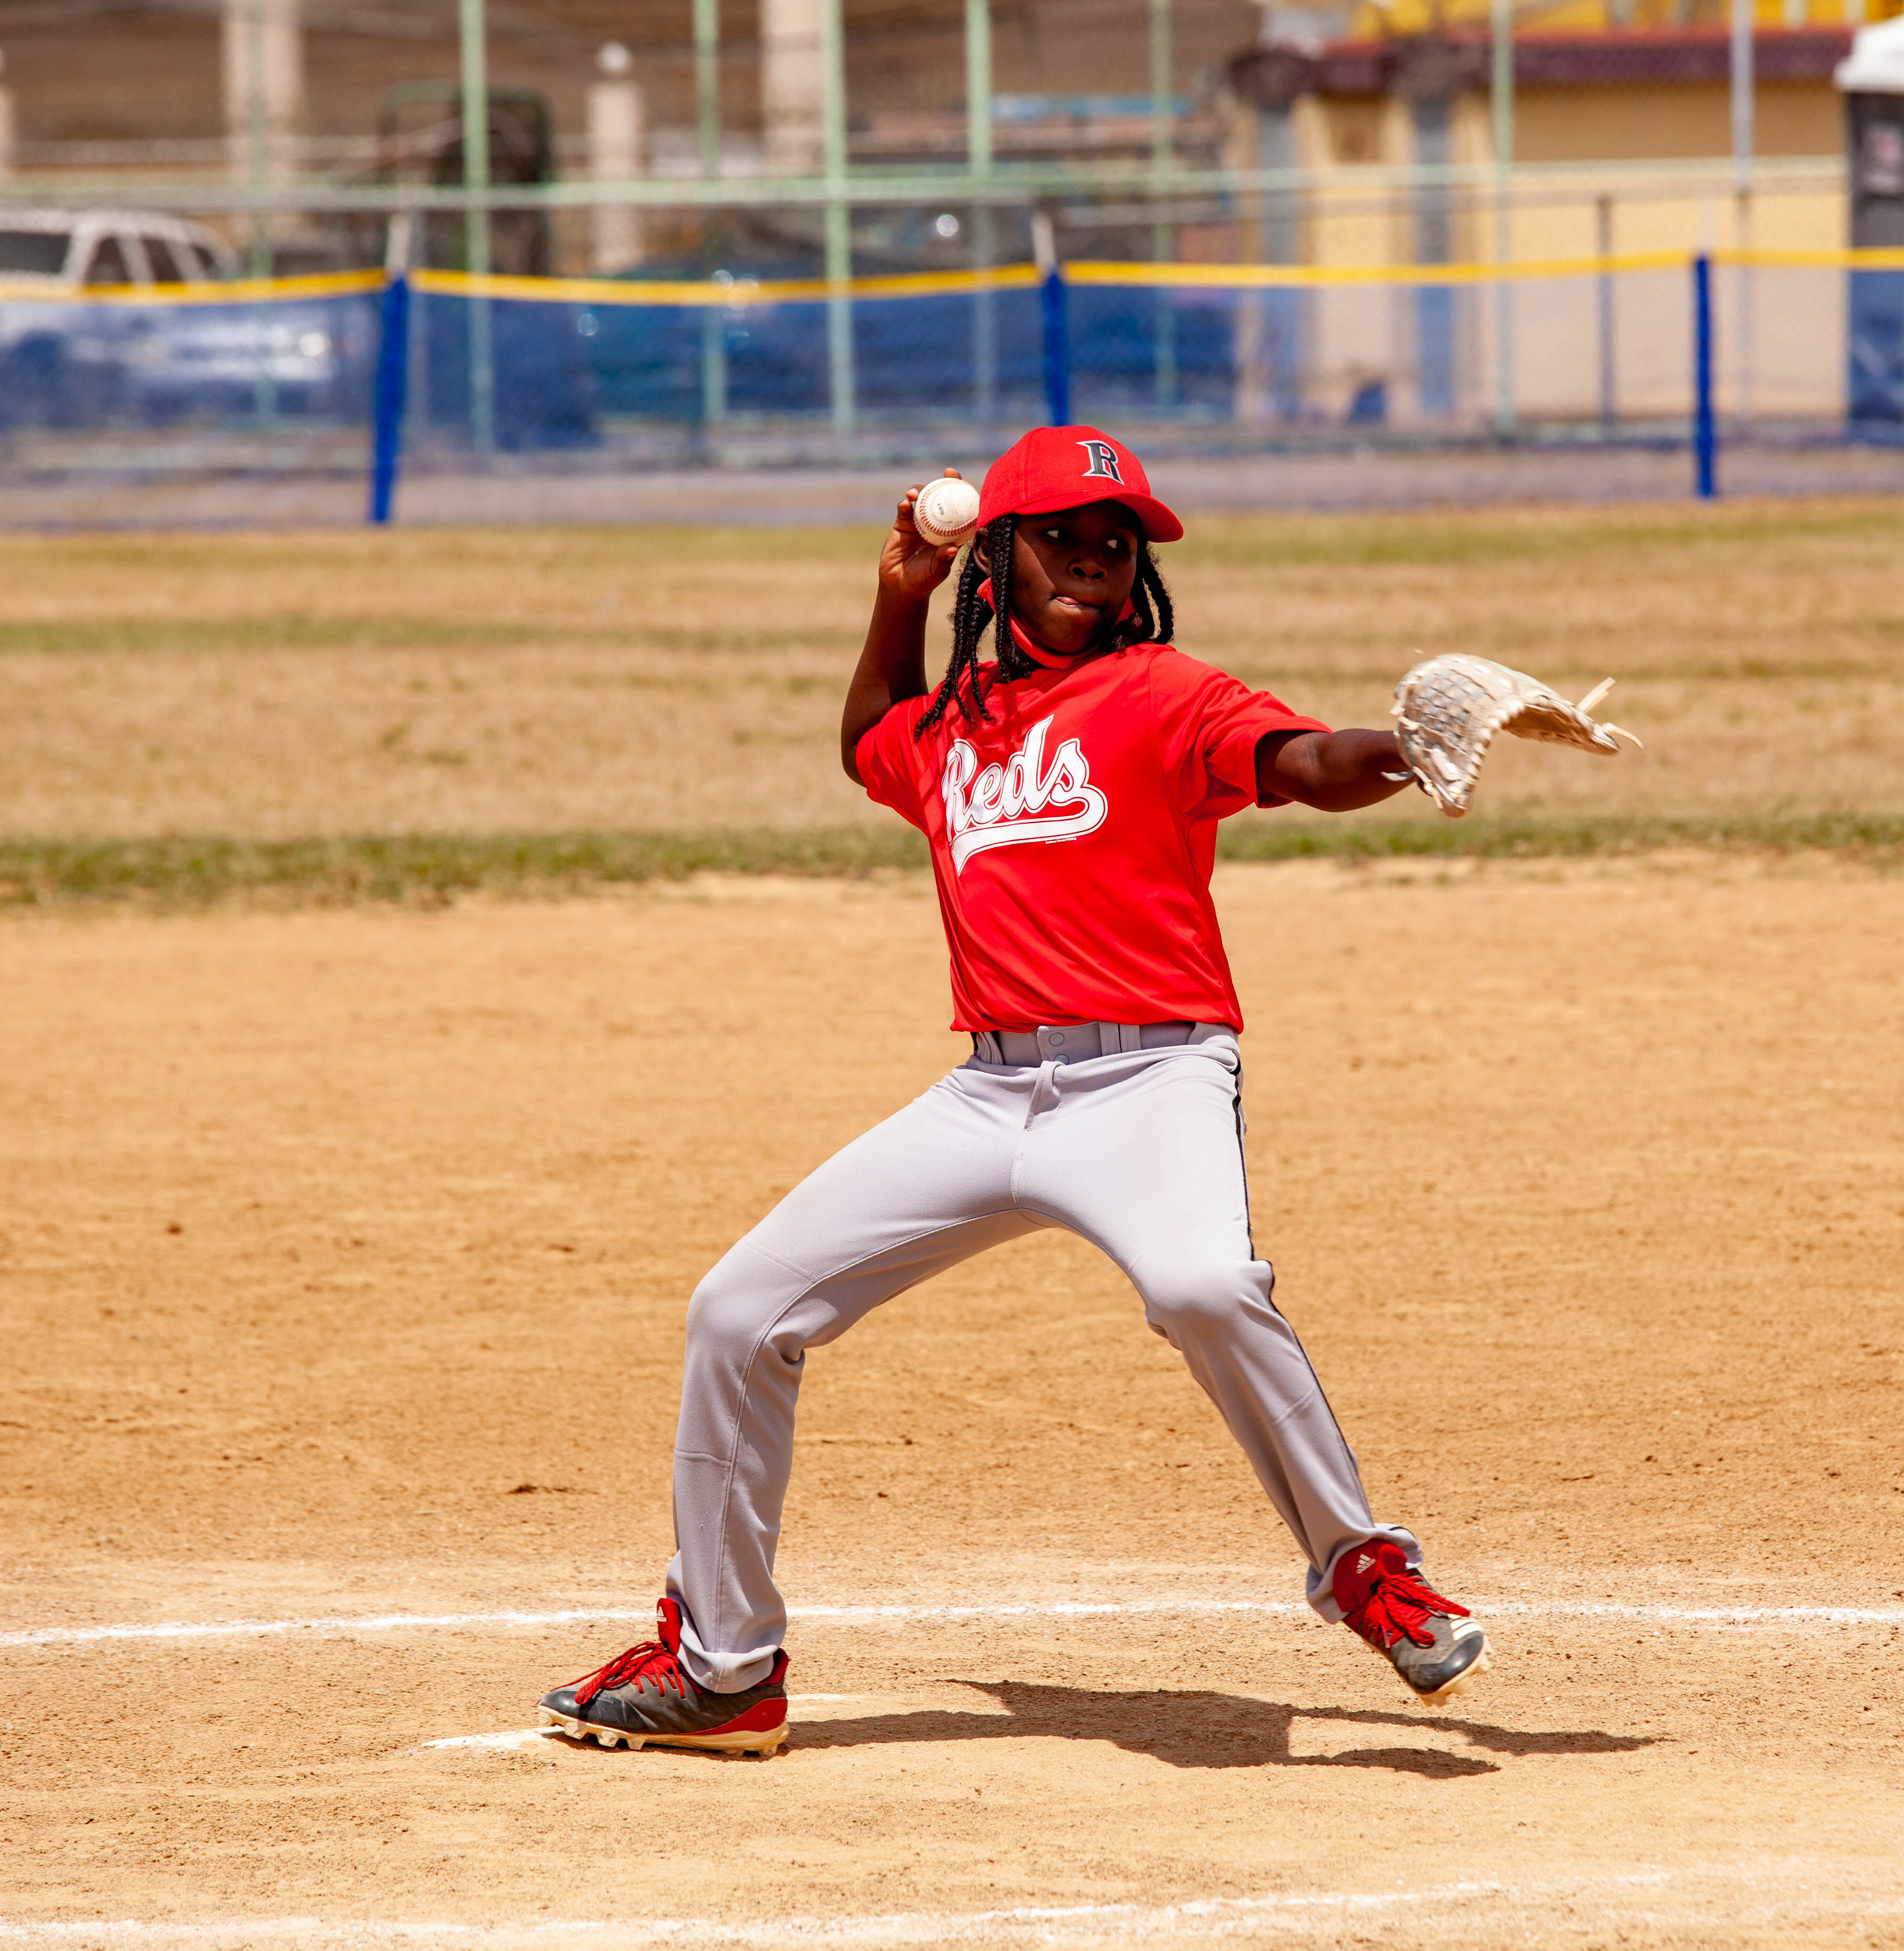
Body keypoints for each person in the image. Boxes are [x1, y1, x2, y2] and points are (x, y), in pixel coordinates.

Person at [536, 425, 1488, 1756]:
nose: (1095, 564)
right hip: (988, 1099)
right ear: (999, 556)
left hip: (1153, 1075)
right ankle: (724, 1668)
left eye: (1117, 546)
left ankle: (1366, 1574)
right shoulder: (957, 727)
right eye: (1064, 538)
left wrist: (1403, 744)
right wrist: (896, 596)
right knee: (738, 1312)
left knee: (1204, 1288)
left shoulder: (1169, 693)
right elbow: (870, 735)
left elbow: (1304, 767)